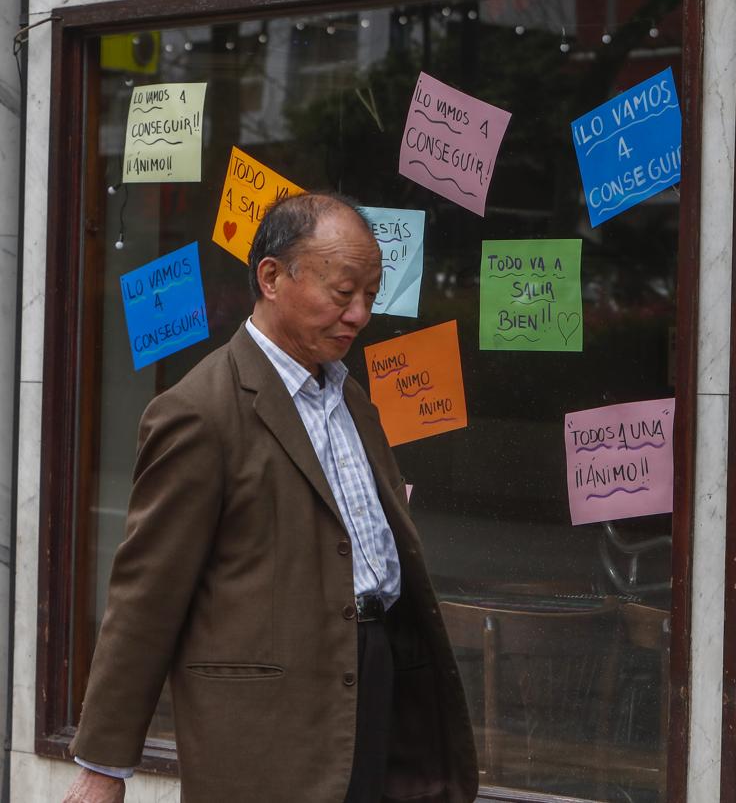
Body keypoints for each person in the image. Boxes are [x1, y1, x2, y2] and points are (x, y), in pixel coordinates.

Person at [61, 193, 477, 803]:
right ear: (273, 277)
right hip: (270, 730)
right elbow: (147, 597)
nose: (360, 314)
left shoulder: (350, 398)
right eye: (342, 292)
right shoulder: (200, 412)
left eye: (371, 294)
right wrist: (104, 766)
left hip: (378, 679)